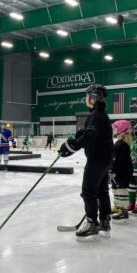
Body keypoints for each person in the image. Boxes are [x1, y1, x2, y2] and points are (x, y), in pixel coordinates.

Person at [58, 84, 113, 241]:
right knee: (102, 191)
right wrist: (79, 136)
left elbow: (90, 135)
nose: (85, 98)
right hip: (104, 159)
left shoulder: (96, 115)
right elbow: (92, 133)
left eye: (87, 95)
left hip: (97, 159)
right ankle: (104, 222)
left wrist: (72, 146)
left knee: (88, 191)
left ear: (93, 98)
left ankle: (92, 224)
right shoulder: (101, 114)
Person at [110, 120, 134, 222]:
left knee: (121, 190)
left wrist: (115, 171)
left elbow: (121, 162)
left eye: (116, 128)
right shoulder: (119, 143)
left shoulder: (122, 144)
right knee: (115, 189)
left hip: (122, 173)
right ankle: (118, 207)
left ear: (121, 129)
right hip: (117, 172)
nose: (114, 130)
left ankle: (123, 211)